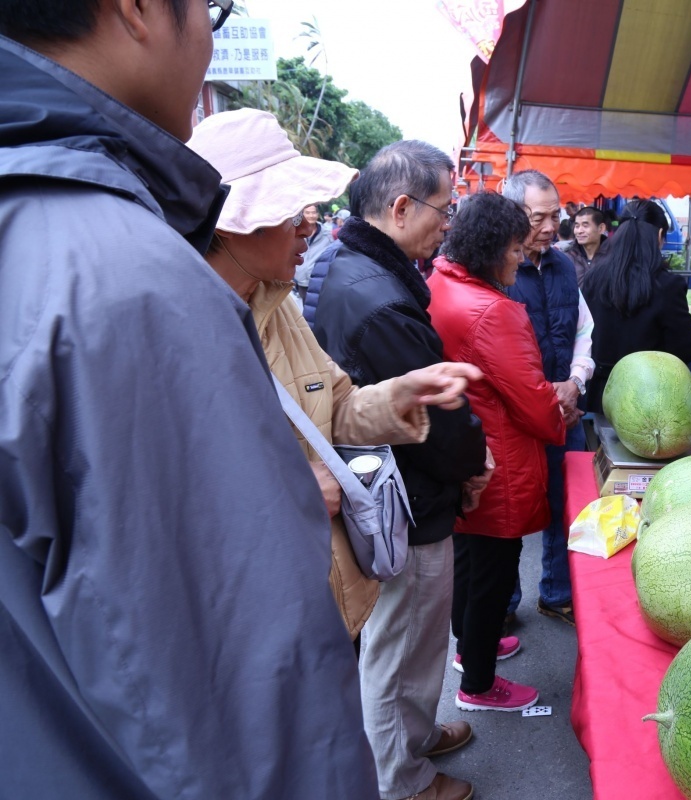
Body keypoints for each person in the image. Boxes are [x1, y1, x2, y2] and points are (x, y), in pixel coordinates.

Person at [0, 3, 381, 797]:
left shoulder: (61, 246)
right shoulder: (128, 283)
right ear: (137, 11)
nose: (310, 221)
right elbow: (238, 688)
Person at [188, 108, 479, 637]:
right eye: (291, 209)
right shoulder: (177, 326)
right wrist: (290, 490)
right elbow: (170, 493)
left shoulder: (281, 308)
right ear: (232, 225)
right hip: (251, 613)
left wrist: (404, 394)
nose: (309, 224)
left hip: (324, 590)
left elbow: (336, 407)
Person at [312, 140, 490, 800]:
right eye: (445, 208)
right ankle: (404, 779)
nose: (449, 222)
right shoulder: (379, 297)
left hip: (395, 491)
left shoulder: (359, 269)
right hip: (404, 502)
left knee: (409, 647)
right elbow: (433, 422)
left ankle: (408, 739)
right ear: (400, 206)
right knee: (400, 650)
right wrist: (472, 464)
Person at [427, 191, 568, 712]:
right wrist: (560, 416)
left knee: (470, 562)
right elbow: (532, 399)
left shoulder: (441, 282)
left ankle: (470, 651)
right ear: (490, 249)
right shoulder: (495, 312)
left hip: (465, 452)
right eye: (514, 248)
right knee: (495, 572)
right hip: (499, 461)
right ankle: (479, 685)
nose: (519, 257)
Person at [502, 170, 594, 627]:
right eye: (539, 216)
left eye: (555, 214)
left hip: (565, 411)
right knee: (513, 509)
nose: (550, 225)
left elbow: (583, 331)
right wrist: (539, 396)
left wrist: (575, 382)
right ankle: (502, 605)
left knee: (567, 506)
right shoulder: (498, 269)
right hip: (516, 418)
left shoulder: (563, 266)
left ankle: (557, 593)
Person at [581, 200, 691, 404]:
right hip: (651, 399)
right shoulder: (668, 286)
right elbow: (685, 350)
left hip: (598, 395)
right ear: (660, 235)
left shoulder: (592, 277)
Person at [294, 203, 333, 303]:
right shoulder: (295, 232)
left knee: (321, 307)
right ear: (302, 215)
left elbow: (332, 254)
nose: (311, 216)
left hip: (320, 280)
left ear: (318, 214)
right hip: (302, 279)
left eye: (313, 213)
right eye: (307, 213)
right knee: (306, 308)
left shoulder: (326, 233)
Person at [565, 206, 609, 281]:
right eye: (577, 226)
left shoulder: (613, 256)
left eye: (585, 226)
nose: (579, 231)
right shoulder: (567, 257)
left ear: (601, 228)